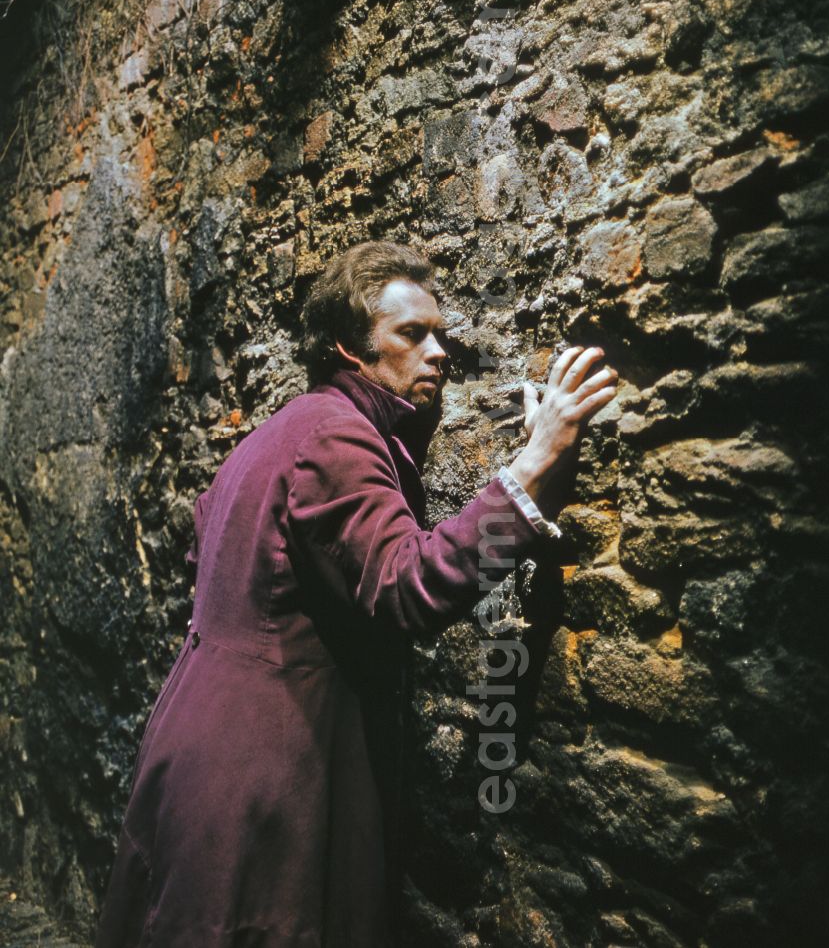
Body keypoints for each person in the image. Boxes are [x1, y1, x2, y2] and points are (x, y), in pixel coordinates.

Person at [95, 241, 618, 947]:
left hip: (202, 738)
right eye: (412, 334)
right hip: (263, 766)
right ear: (348, 346)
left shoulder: (285, 429)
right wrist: (532, 467)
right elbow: (410, 588)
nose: (439, 353)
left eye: (442, 335)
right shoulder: (338, 437)